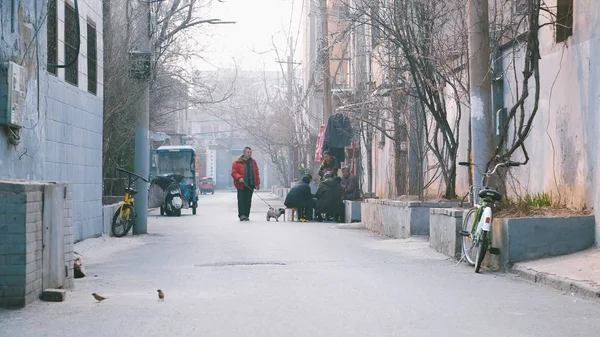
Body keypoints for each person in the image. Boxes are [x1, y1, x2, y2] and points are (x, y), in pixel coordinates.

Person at [231, 147, 260, 221]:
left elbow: (256, 173)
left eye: (250, 152)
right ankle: (241, 215)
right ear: (244, 153)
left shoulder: (253, 162)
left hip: (250, 184)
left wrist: (257, 183)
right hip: (241, 184)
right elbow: (234, 173)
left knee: (248, 200)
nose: (250, 154)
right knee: (241, 200)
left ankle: (246, 215)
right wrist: (239, 178)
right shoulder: (237, 162)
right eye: (248, 152)